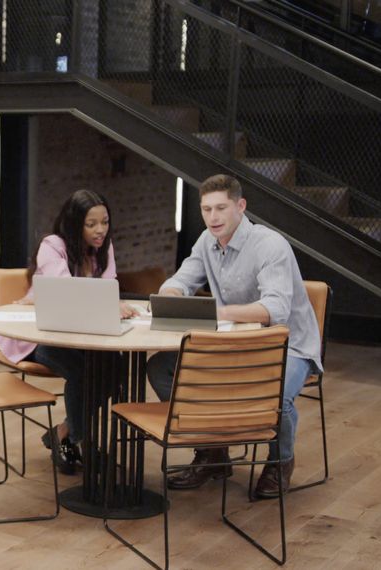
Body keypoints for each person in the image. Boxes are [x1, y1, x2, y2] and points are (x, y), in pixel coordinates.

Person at [147, 174, 321, 498]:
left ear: (240, 207)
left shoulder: (270, 245)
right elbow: (179, 281)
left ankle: (280, 461)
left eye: (221, 208)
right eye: (206, 209)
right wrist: (171, 294)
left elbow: (276, 308)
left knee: (275, 394)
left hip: (288, 345)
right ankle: (212, 452)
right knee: (161, 368)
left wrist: (219, 313)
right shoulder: (205, 242)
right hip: (232, 342)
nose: (213, 217)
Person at [0, 189, 137, 475]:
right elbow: (68, 293)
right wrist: (106, 302)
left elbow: (105, 291)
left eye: (105, 222)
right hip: (39, 335)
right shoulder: (53, 245)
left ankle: (63, 434)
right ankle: (83, 443)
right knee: (84, 372)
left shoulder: (104, 248)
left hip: (81, 335)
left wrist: (113, 302)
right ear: (75, 224)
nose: (100, 230)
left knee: (117, 369)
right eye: (91, 224)